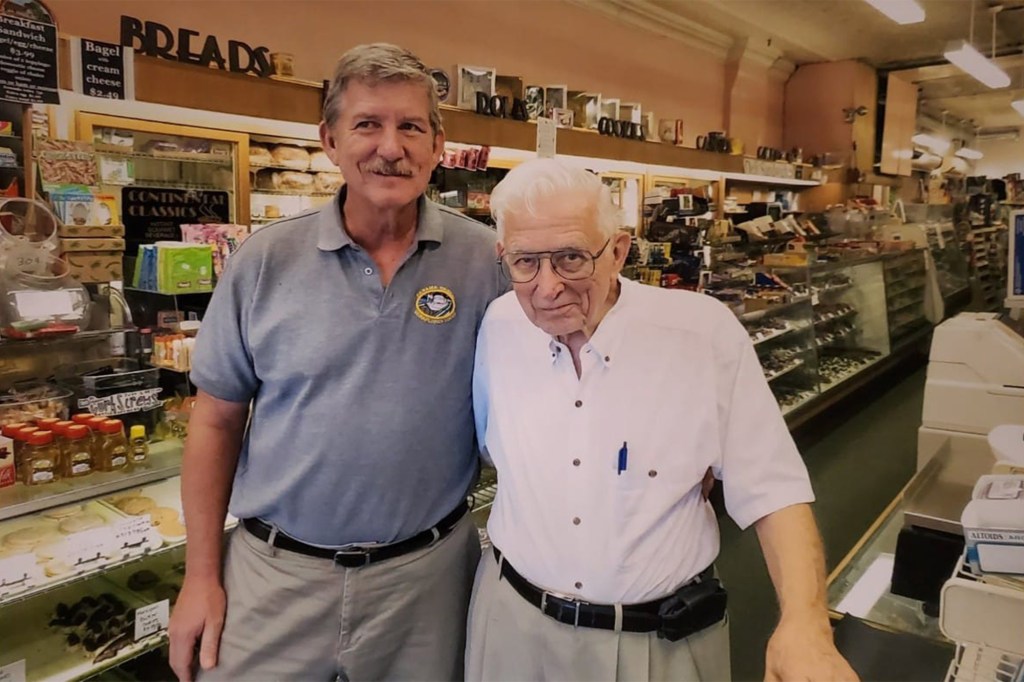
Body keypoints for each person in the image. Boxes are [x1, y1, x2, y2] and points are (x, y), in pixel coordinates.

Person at [168, 43, 504, 682]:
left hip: (429, 582)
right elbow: (214, 423)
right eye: (367, 124)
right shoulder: (264, 261)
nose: (390, 146)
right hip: (275, 577)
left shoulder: (485, 260)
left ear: (438, 145)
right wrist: (200, 578)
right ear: (329, 140)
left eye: (410, 126)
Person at [467, 158, 859, 682]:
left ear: (619, 252)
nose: (547, 286)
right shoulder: (499, 326)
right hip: (513, 625)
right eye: (525, 262)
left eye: (570, 258)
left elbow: (772, 489)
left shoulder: (700, 335)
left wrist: (805, 622)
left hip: (654, 646)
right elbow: (493, 449)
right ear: (504, 257)